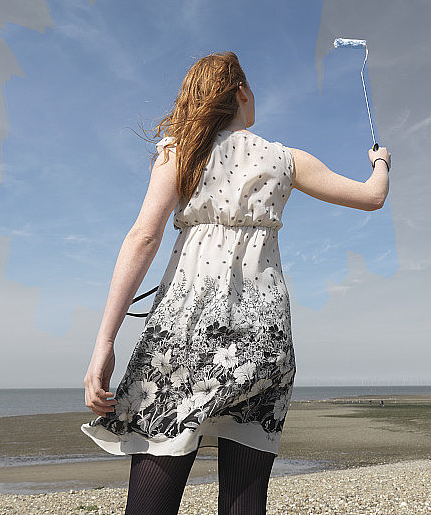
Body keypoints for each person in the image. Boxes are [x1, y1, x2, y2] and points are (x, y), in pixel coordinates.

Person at [81, 51, 390, 515]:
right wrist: (380, 162)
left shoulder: (178, 149)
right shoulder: (286, 159)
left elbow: (144, 236)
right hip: (262, 336)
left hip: (186, 332)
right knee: (244, 504)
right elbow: (372, 197)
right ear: (241, 92)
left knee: (153, 495)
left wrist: (105, 339)